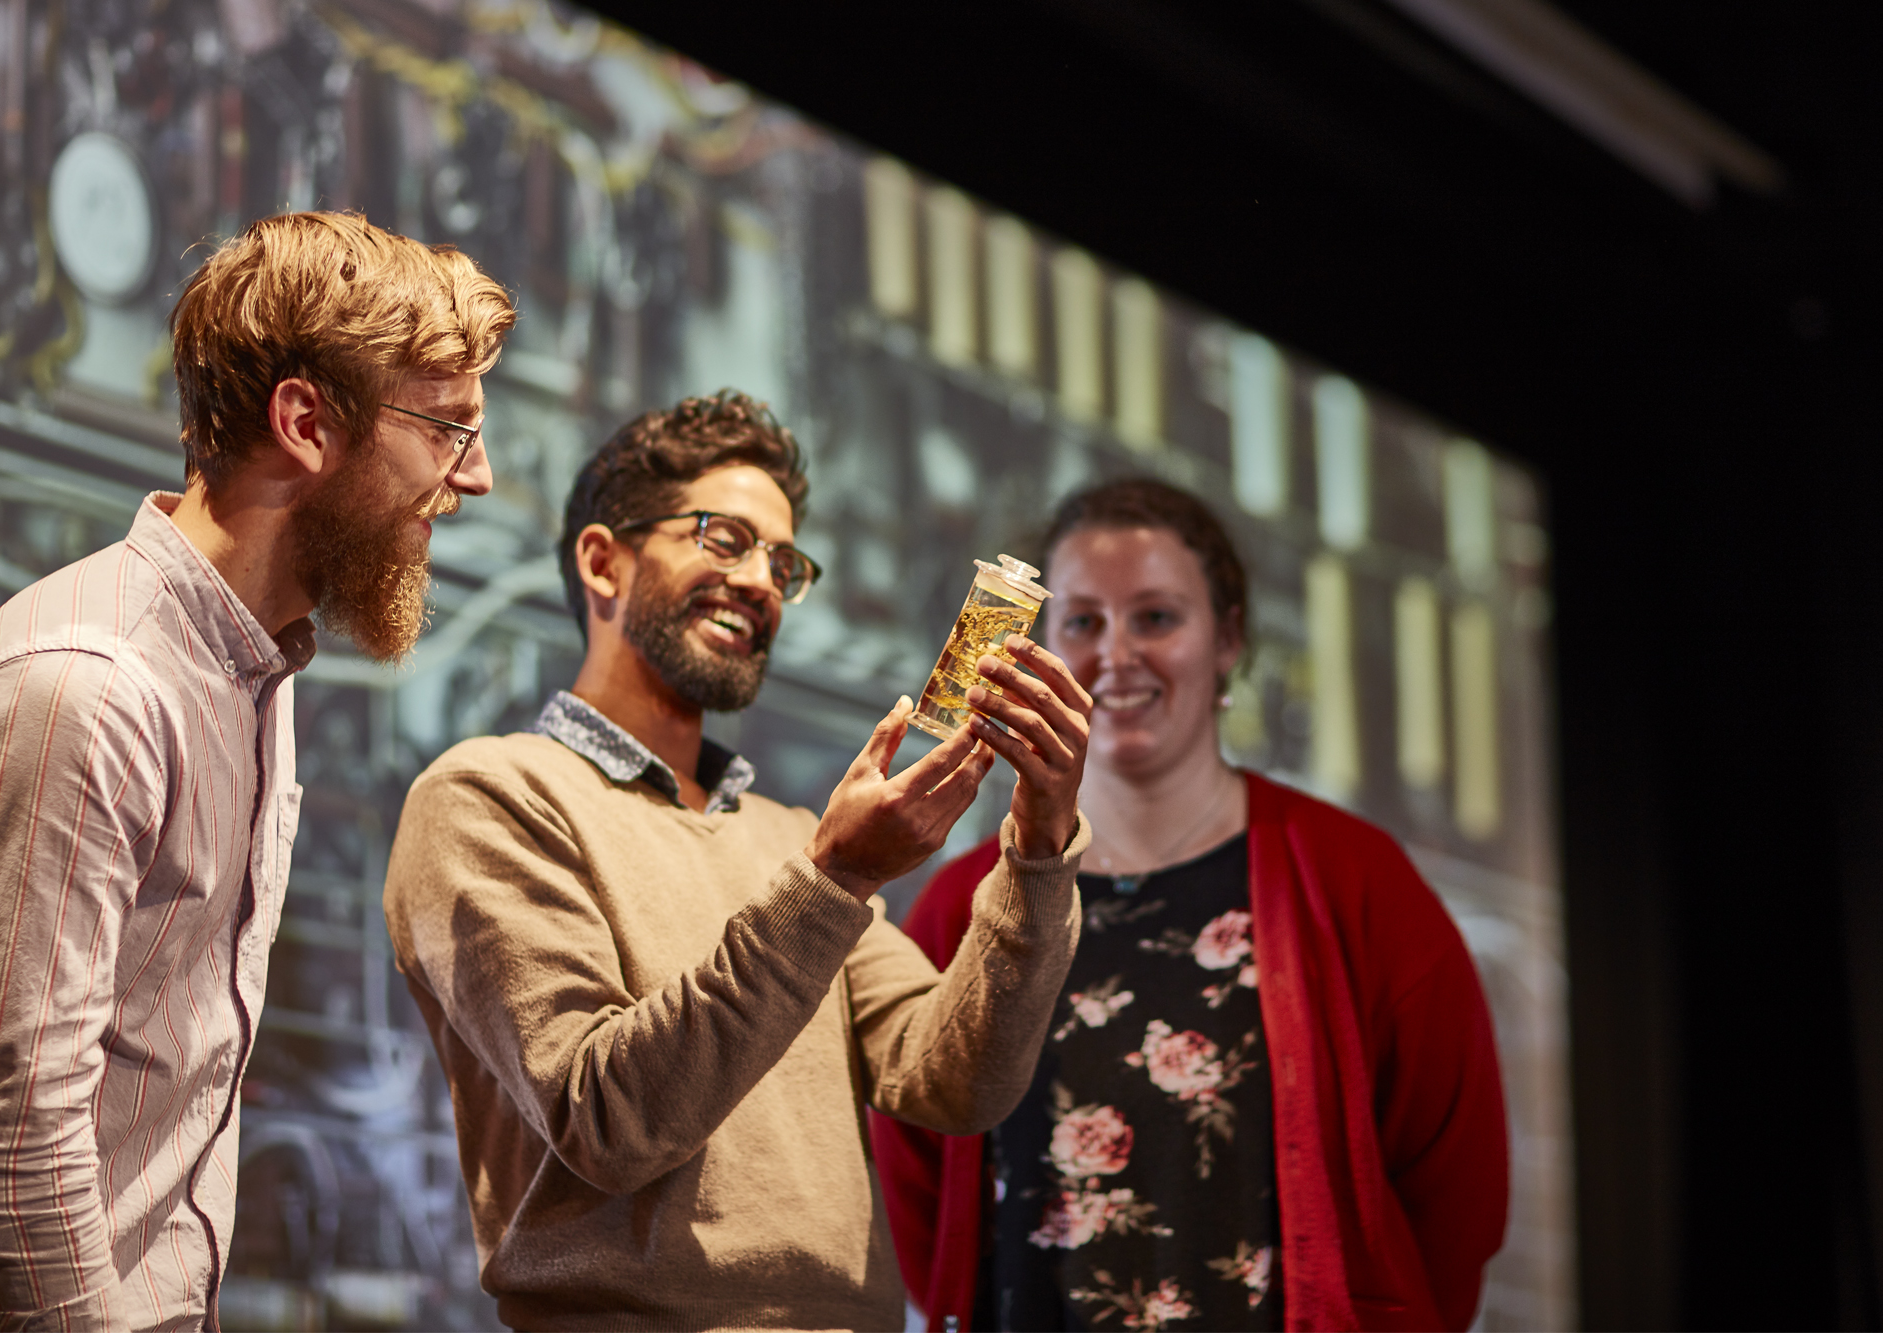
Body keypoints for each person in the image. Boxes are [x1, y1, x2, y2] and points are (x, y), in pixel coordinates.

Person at [0, 211, 514, 1330]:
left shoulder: (247, 666)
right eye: (448, 430)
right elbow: (16, 1157)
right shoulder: (91, 686)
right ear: (307, 421)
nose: (479, 476)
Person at [382, 391, 1095, 1330]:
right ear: (604, 560)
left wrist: (1039, 851)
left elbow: (955, 1079)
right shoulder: (489, 797)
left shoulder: (785, 836)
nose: (761, 578)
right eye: (723, 537)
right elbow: (606, 1118)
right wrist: (834, 880)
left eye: (782, 560)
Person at [872, 478, 1508, 1332]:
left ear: (1229, 641)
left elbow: (1452, 1191)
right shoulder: (960, 906)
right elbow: (918, 1180)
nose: (1117, 653)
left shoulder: (1356, 881)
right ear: (1038, 647)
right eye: (1084, 622)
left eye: (1157, 617)